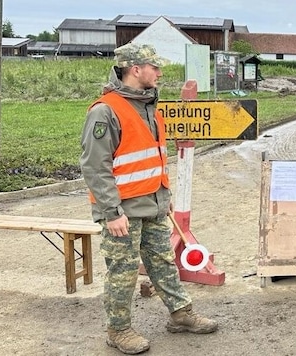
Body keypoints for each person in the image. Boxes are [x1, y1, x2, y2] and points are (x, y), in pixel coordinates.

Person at [80, 43, 218, 355]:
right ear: (135, 69)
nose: (159, 72)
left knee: (163, 262)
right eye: (154, 67)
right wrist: (111, 211)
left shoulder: (147, 106)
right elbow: (94, 166)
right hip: (122, 212)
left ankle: (180, 314)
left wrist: (163, 195)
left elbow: (152, 158)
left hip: (154, 205)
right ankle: (118, 330)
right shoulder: (106, 111)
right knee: (123, 272)